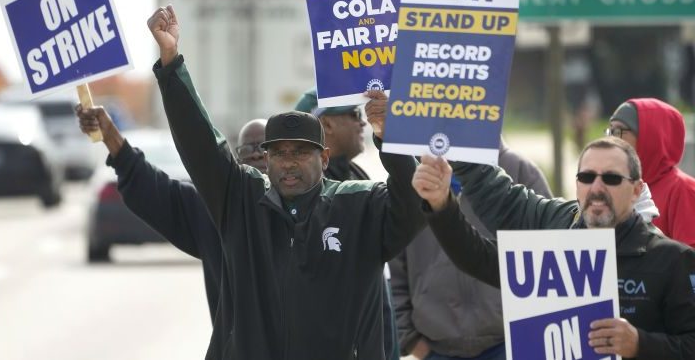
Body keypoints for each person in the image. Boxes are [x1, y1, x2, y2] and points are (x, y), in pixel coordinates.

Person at [147, 4, 424, 360]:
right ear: (267, 159)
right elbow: (202, 145)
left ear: (324, 159)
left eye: (301, 152)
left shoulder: (359, 206)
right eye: (279, 153)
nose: (289, 162)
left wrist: (390, 137)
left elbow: (413, 206)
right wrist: (171, 64)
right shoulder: (243, 202)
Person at [412, 137, 695, 360]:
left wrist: (639, 344)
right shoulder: (557, 232)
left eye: (611, 179)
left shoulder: (672, 259)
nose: (597, 188)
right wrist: (440, 205)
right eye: (586, 177)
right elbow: (478, 258)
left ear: (636, 190)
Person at [77, 103, 266, 325]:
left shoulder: (302, 214)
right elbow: (151, 186)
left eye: (265, 146)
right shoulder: (213, 213)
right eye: (247, 149)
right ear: (237, 162)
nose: (257, 154)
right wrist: (110, 136)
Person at [390, 137, 552, 360]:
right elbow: (393, 264)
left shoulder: (519, 169)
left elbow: (549, 255)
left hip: (508, 343)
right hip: (436, 349)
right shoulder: (414, 176)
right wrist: (410, 340)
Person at [295, 87, 399, 360]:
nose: (363, 122)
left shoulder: (355, 175)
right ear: (327, 124)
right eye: (354, 114)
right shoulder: (306, 194)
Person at [608, 98, 695, 247]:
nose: (610, 140)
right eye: (610, 131)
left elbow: (688, 257)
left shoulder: (683, 190)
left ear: (649, 135)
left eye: (619, 131)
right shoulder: (616, 185)